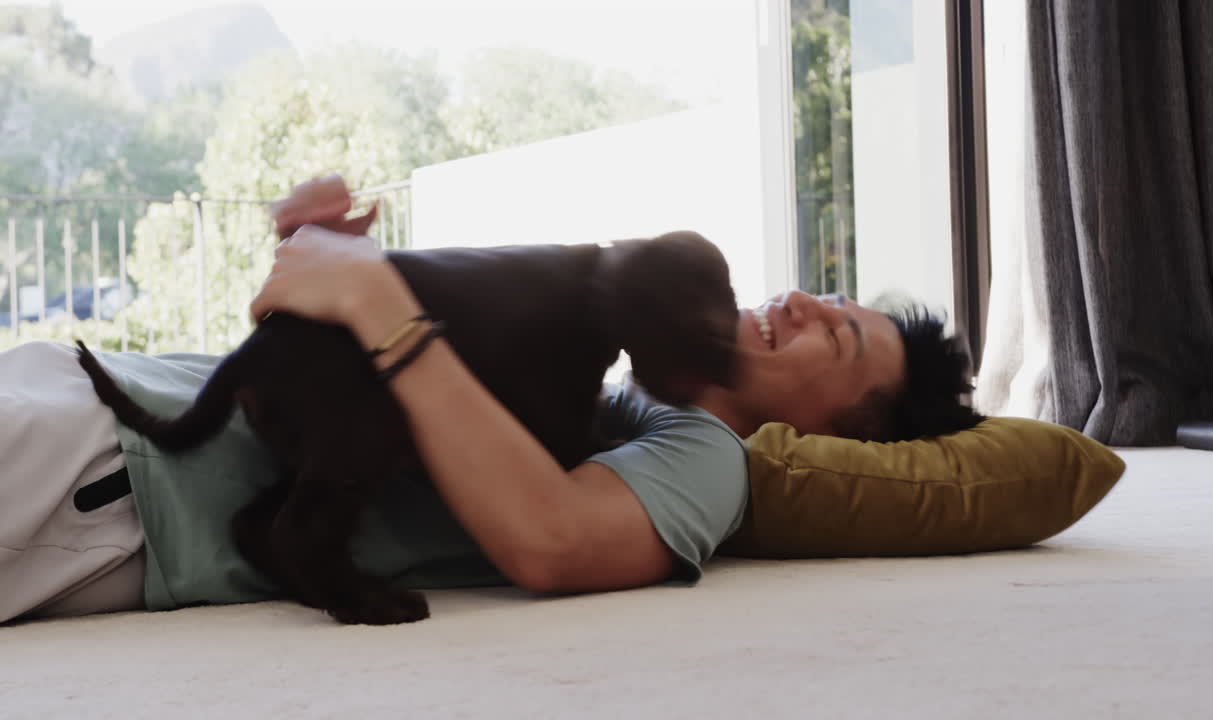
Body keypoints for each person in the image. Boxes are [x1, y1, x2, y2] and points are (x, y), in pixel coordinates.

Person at [0, 196, 982, 623]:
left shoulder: (707, 459)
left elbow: (546, 540)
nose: (800, 304)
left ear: (838, 434)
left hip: (105, 489)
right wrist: (316, 260)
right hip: (80, 407)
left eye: (837, 336)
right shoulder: (601, 392)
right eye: (821, 292)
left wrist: (380, 301)